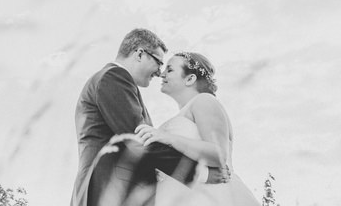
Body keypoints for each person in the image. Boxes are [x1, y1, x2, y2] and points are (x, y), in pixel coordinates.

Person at [71, 28, 200, 206]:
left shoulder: (113, 80)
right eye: (158, 62)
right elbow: (138, 139)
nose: (159, 72)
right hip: (109, 192)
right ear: (139, 54)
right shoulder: (114, 77)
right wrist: (197, 171)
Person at [135, 52, 259, 206]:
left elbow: (218, 154)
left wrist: (168, 138)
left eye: (170, 69)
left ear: (190, 79)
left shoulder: (204, 101)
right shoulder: (185, 111)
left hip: (211, 196)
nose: (162, 74)